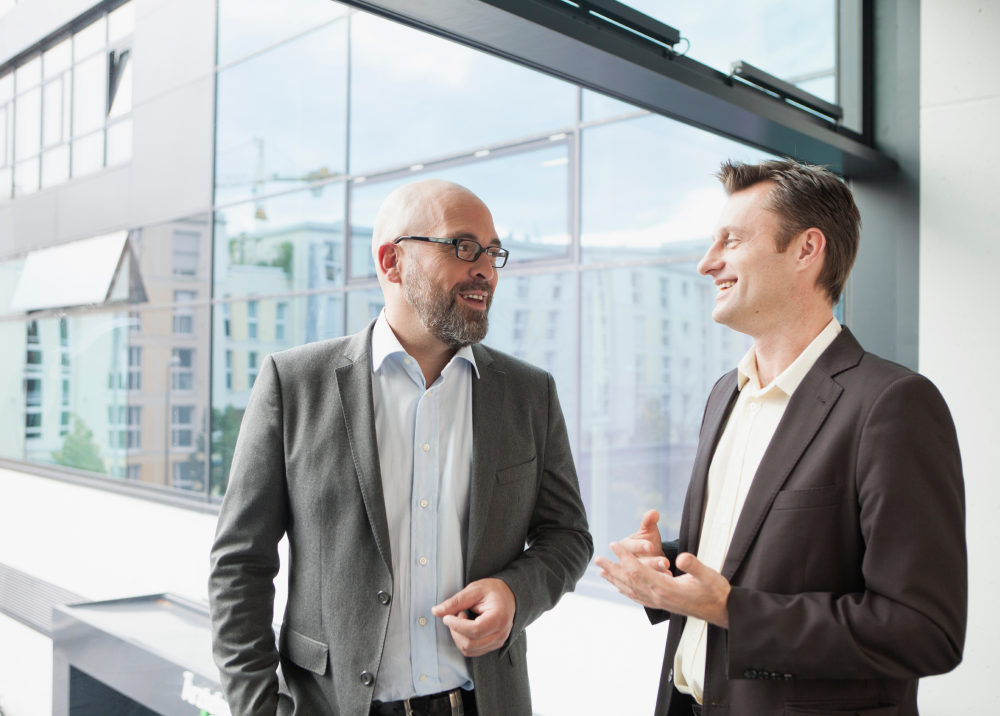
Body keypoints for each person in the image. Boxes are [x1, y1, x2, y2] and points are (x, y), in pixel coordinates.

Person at [596, 160, 966, 716]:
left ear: (805, 250)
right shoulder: (727, 393)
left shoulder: (893, 406)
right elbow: (756, 554)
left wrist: (731, 610)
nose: (706, 263)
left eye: (732, 241)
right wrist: (668, 568)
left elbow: (924, 630)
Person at [209, 179, 592, 716]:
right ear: (392, 262)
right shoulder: (292, 384)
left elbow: (568, 536)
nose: (486, 268)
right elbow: (240, 566)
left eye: (493, 252)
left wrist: (515, 594)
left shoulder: (529, 393)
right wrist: (258, 708)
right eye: (463, 247)